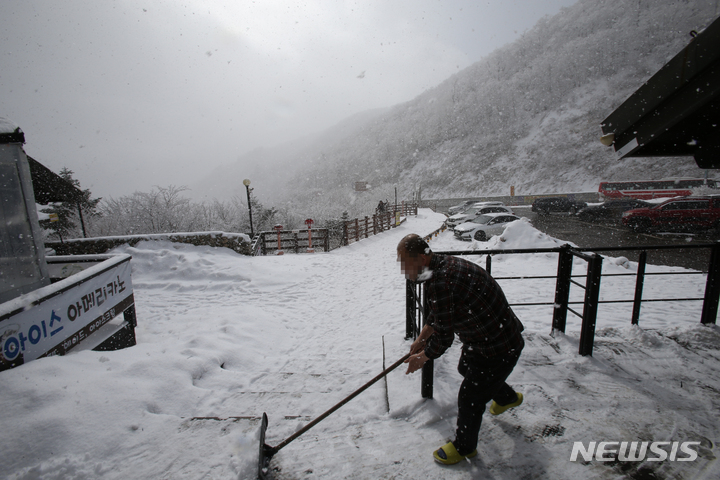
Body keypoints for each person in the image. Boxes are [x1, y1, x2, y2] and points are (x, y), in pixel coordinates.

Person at [397, 233, 525, 465]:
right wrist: (422, 338)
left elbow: (444, 337)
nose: (404, 270)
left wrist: (422, 358)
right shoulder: (442, 266)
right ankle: (507, 398)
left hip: (497, 346)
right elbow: (441, 312)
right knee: (466, 367)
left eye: (406, 263)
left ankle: (464, 447)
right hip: (494, 337)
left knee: (470, 398)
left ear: (422, 259)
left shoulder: (440, 282)